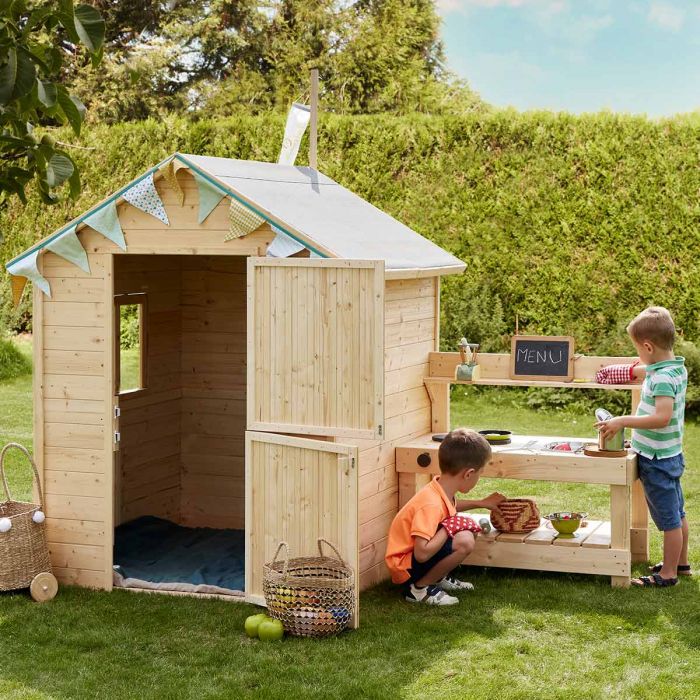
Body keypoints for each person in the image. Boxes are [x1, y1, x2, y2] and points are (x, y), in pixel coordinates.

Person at [596, 306, 691, 587]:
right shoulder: (673, 367)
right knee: (678, 512)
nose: (638, 355)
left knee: (669, 520)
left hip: (657, 459)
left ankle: (668, 574)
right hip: (669, 453)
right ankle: (680, 563)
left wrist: (623, 420)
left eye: (638, 349)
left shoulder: (661, 378)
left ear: (648, 346)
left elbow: (662, 417)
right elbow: (643, 369)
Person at [385, 428, 506, 605]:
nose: (479, 477)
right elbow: (422, 553)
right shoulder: (430, 504)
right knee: (464, 540)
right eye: (480, 473)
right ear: (469, 474)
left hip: (411, 559)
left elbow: (450, 507)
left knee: (465, 530)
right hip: (405, 567)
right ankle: (418, 589)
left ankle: (436, 577)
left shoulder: (439, 489)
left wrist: (481, 503)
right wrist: (451, 527)